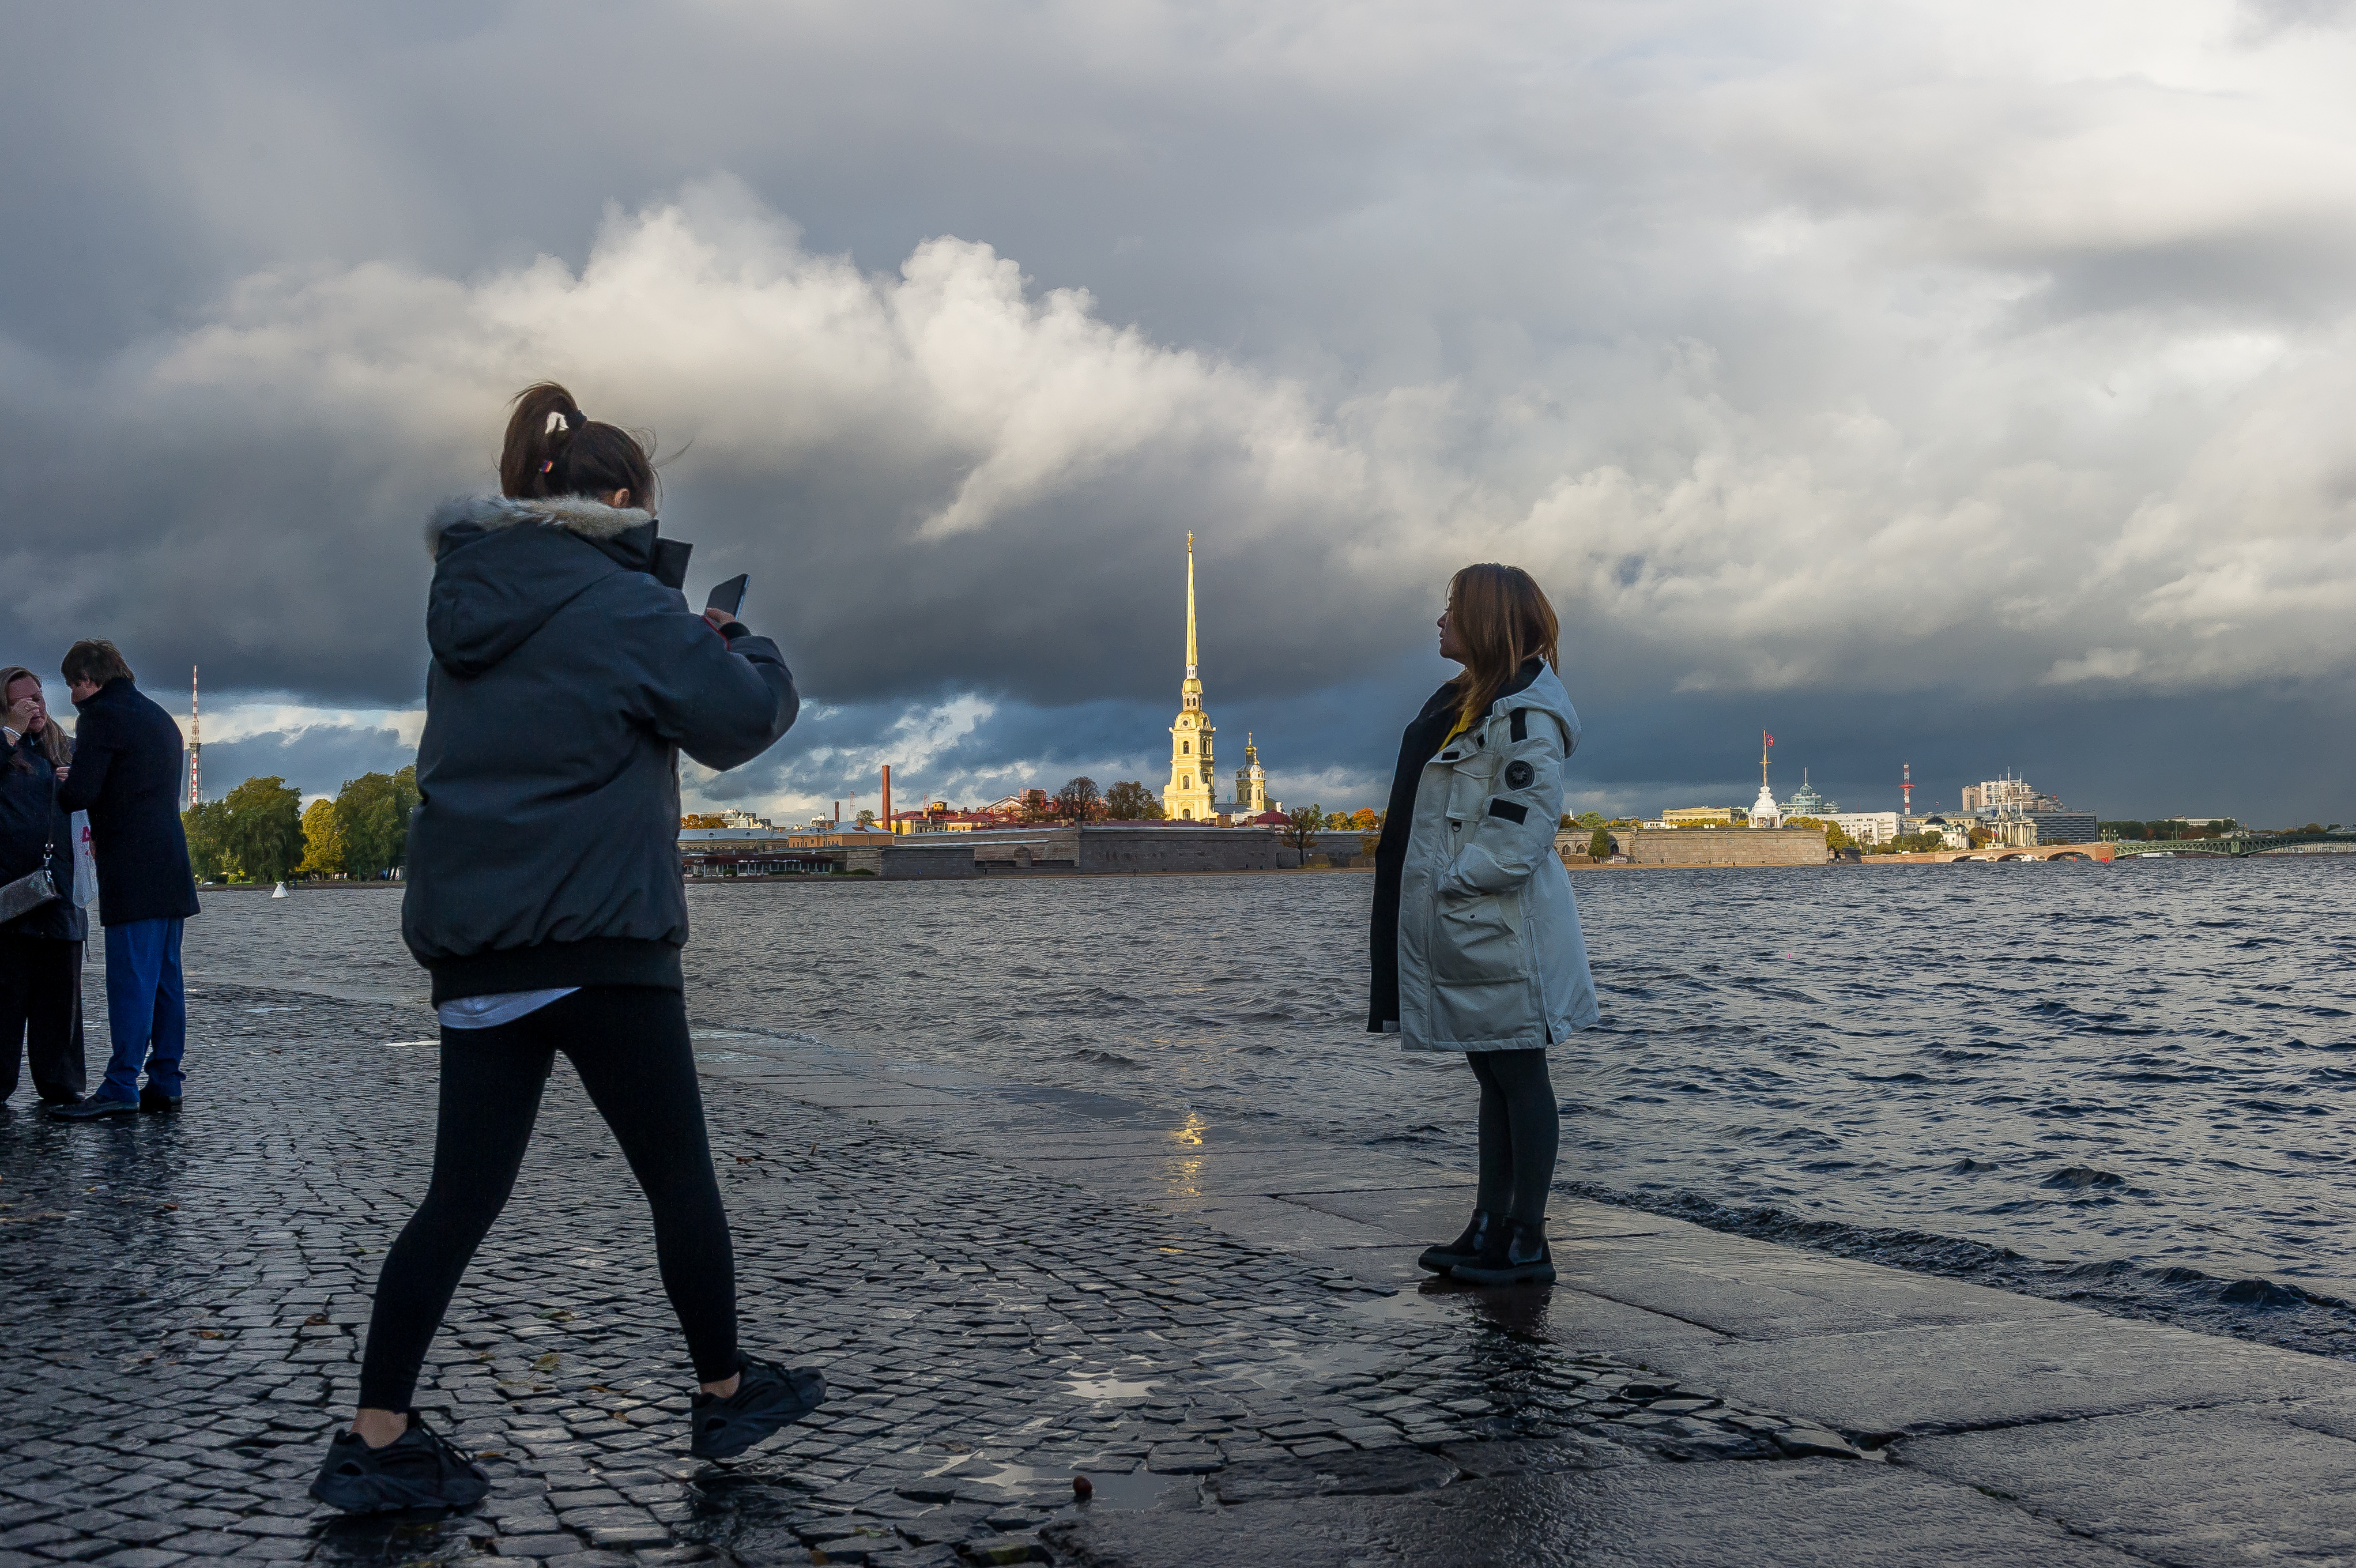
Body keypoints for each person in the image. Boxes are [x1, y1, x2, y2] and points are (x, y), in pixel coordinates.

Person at [312, 383, 817, 1513]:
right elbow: (737, 722)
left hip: (480, 949)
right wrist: (750, 649)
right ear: (625, 500)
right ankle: (724, 1387)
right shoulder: (629, 607)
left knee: (459, 1196)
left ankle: (375, 1432)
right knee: (677, 1180)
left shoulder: (467, 608)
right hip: (603, 939)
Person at [1369, 564, 1598, 1287]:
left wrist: (1456, 881)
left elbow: (1521, 826)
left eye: (1452, 611)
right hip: (1473, 922)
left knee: (1517, 1071)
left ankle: (1526, 1238)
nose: (1440, 622)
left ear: (1487, 620)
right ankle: (1490, 1225)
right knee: (1493, 1072)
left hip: (1499, 923)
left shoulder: (1524, 712)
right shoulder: (1470, 702)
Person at [50, 640, 199, 1120]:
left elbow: (82, 794)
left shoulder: (99, 716)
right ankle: (165, 1080)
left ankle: (120, 1086)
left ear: (89, 680)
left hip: (131, 868)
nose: (73, 695)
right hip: (171, 864)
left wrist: (63, 781)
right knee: (166, 981)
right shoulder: (158, 716)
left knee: (131, 980)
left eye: (74, 684)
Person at [0, 665, 88, 1108]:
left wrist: (82, 787)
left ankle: (61, 1086)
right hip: (8, 905)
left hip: (60, 900)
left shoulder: (66, 749)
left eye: (38, 697)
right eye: (23, 701)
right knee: (4, 1004)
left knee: (59, 1008)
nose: (36, 706)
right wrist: (9, 734)